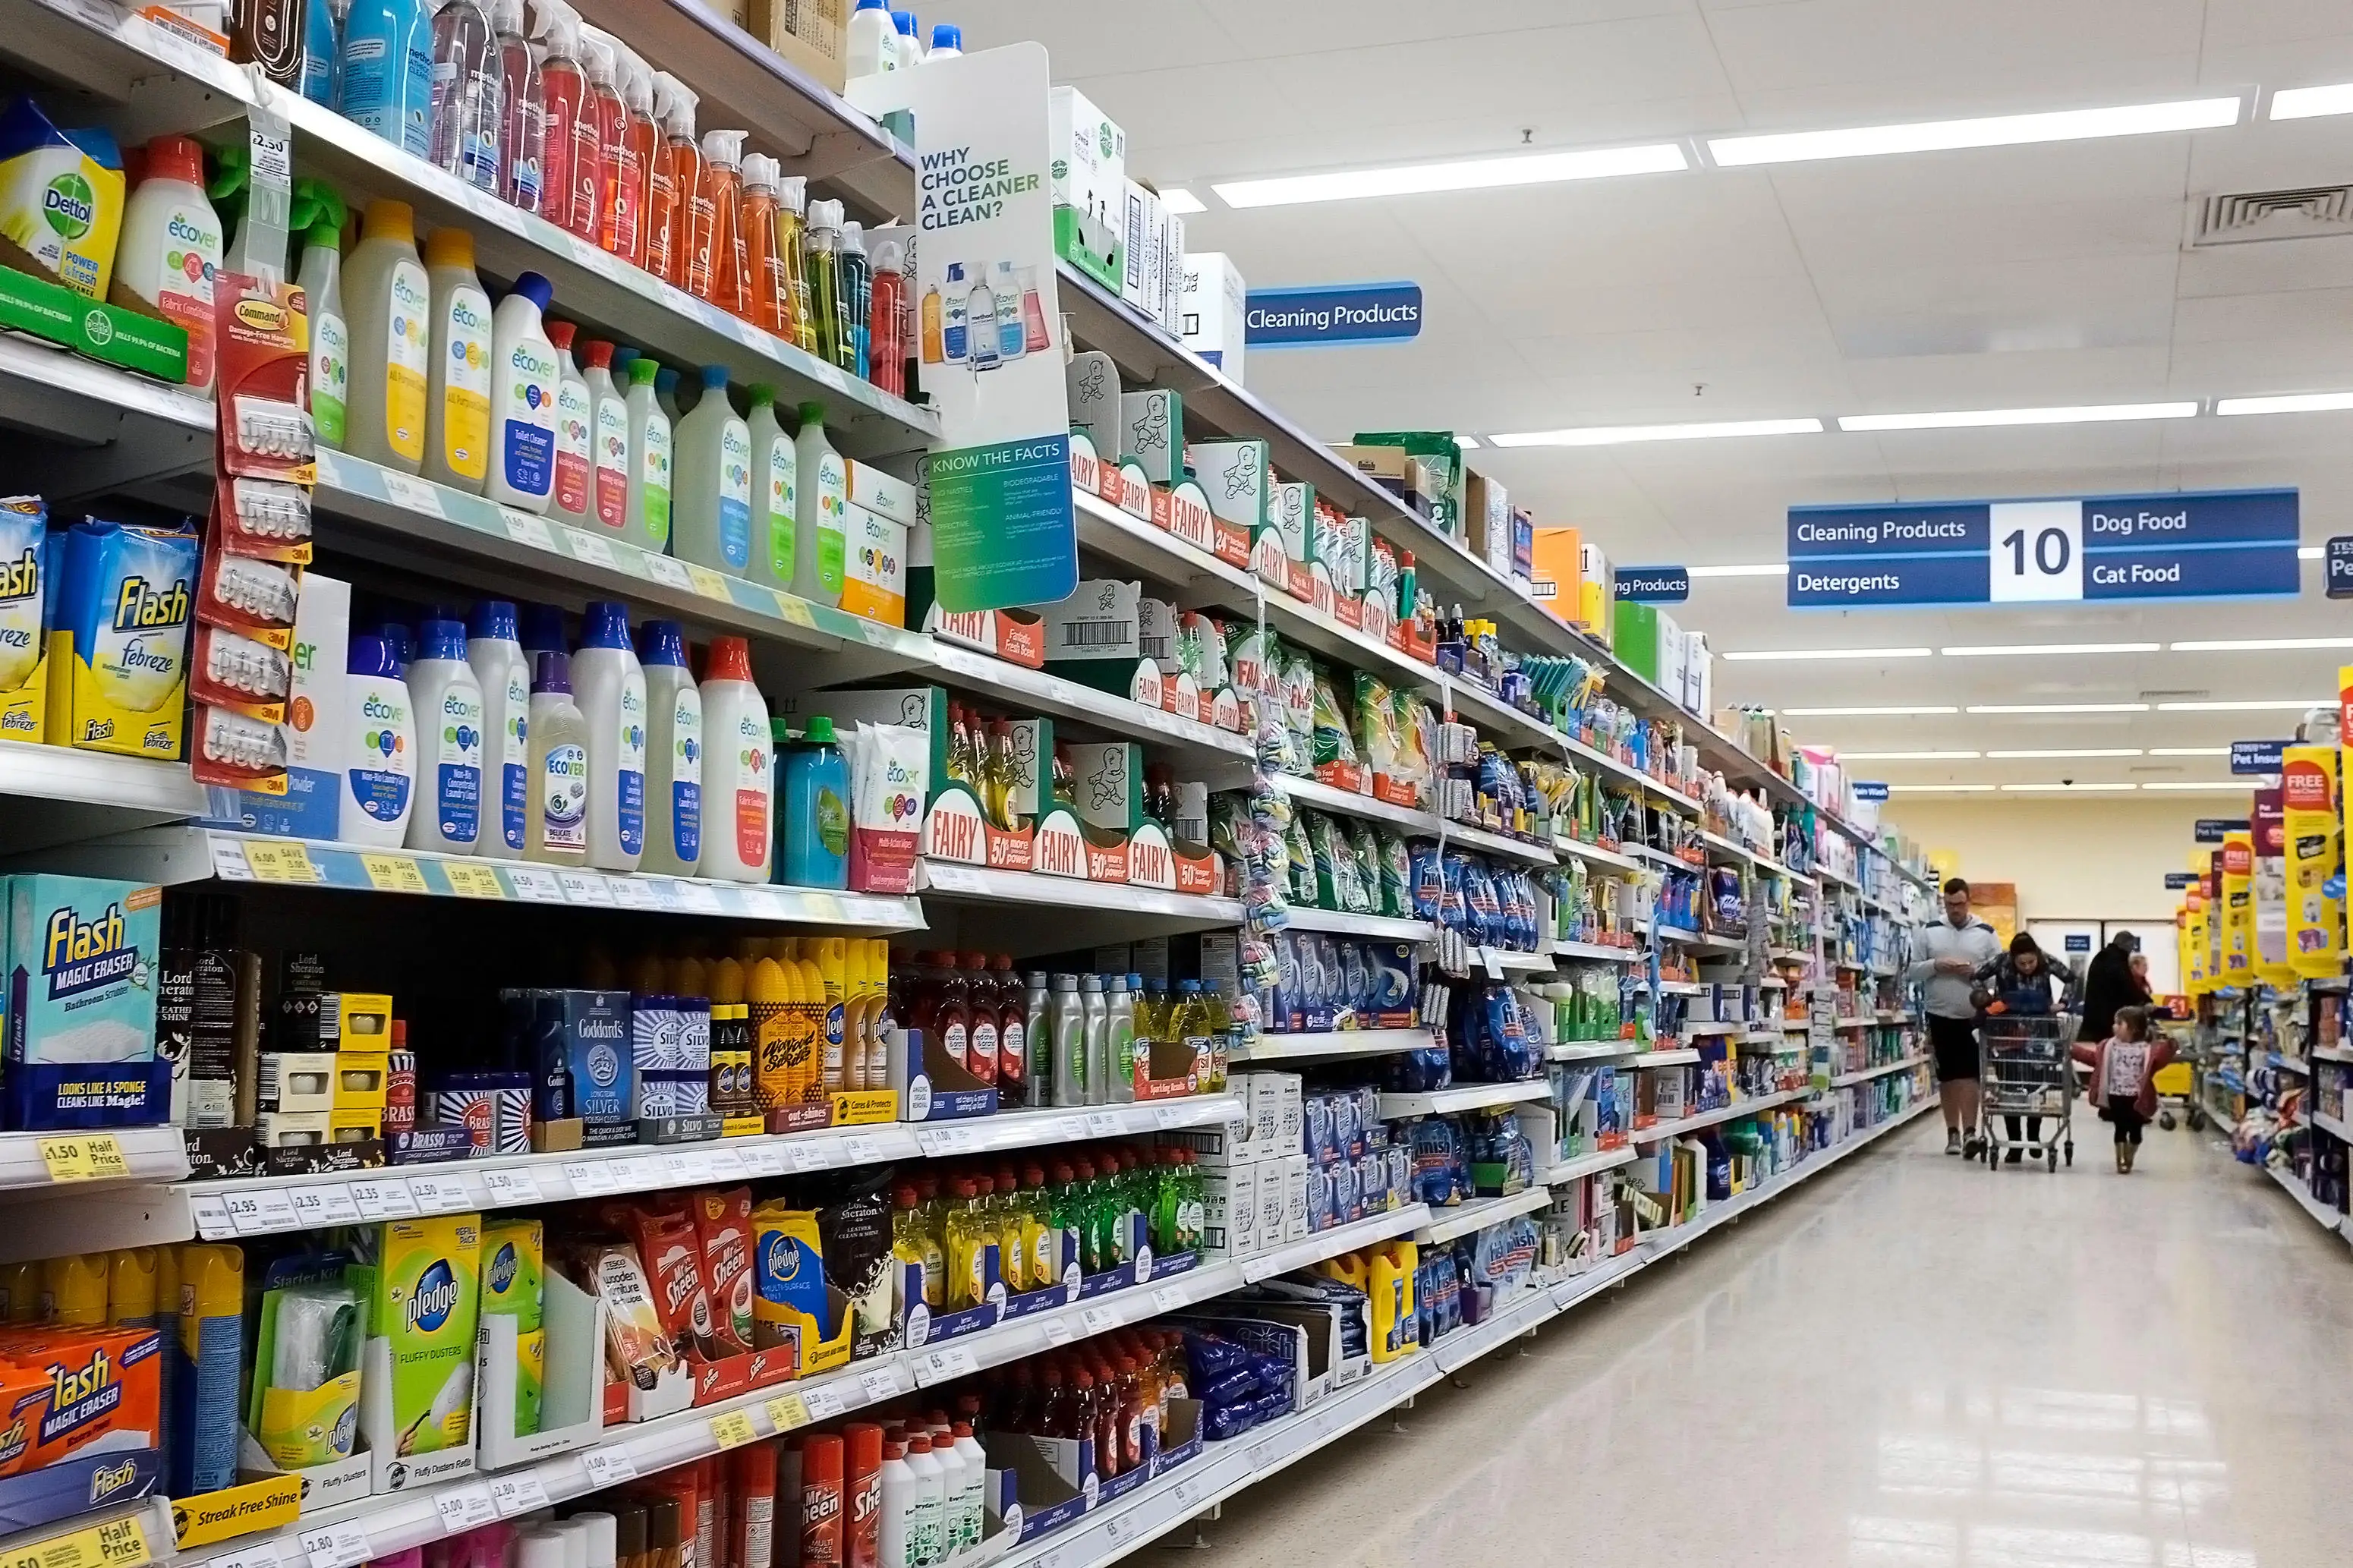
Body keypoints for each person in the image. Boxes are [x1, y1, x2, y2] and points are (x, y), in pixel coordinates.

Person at [1907, 877, 2002, 1157]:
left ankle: (1971, 1131)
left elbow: (2000, 973)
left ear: (1968, 901)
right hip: (1939, 1013)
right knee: (1947, 1076)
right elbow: (1913, 971)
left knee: (1971, 1074)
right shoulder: (1929, 931)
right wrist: (1936, 965)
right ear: (1943, 903)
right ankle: (1952, 1134)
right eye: (1949, 905)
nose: (1955, 910)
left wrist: (1977, 972)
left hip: (1974, 1016)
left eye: (1959, 904)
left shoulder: (1986, 932)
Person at [1972, 933, 2080, 1163]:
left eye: (2031, 962)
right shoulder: (2001, 962)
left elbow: (2071, 978)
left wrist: (2063, 1003)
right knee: (2009, 1088)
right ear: (2013, 959)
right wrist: (1987, 1000)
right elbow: (1976, 977)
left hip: (2041, 1034)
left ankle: (2033, 1134)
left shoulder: (2047, 960)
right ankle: (2014, 1143)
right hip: (2006, 1033)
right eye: (2022, 963)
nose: (2028, 967)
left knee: (2036, 1086)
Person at [2072, 1006, 2175, 1173]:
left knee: (2136, 1130)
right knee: (2120, 1127)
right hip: (2116, 1094)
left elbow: (2159, 1062)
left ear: (2133, 1028)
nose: (2114, 1027)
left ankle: (2130, 1156)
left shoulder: (2147, 1050)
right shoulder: (2109, 1046)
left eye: (2119, 1023)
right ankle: (2120, 1161)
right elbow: (2093, 1059)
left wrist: (2171, 1046)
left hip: (2137, 1097)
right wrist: (2074, 1051)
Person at [2079, 930, 2151, 1042]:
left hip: (2093, 1019)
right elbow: (2127, 986)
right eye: (2131, 947)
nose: (2131, 950)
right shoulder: (2117, 961)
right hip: (2107, 1020)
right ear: (2126, 945)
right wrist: (2146, 1001)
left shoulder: (2101, 957)